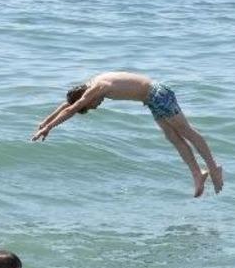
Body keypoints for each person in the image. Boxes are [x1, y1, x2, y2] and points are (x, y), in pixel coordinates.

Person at [32, 71, 223, 197]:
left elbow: (71, 109)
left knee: (185, 131)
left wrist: (49, 128)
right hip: (151, 99)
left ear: (86, 98)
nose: (96, 106)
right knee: (173, 137)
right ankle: (198, 174)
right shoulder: (90, 87)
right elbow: (69, 105)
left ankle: (214, 167)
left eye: (91, 106)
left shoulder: (98, 87)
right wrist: (45, 122)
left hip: (158, 94)